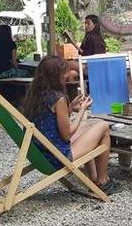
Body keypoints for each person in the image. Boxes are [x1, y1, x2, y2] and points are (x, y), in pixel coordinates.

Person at [21, 56, 119, 194]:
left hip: (42, 152)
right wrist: (82, 110)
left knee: (86, 126)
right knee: (103, 126)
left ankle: (93, 179)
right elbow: (67, 135)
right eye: (64, 73)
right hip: (58, 157)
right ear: (57, 76)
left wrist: (71, 108)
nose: (67, 76)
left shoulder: (35, 95)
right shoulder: (58, 98)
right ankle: (102, 181)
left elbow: (50, 121)